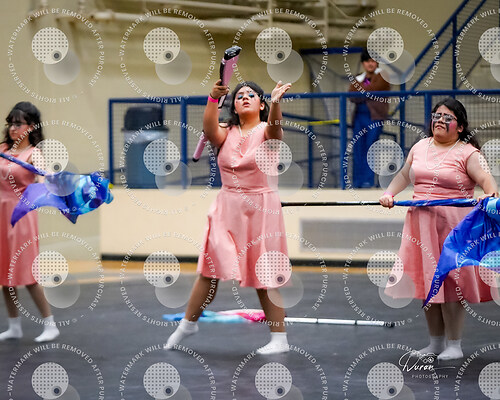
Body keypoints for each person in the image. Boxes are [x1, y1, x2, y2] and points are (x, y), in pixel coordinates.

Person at [165, 79, 292, 354]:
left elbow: (275, 127)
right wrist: (212, 98)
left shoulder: (268, 132)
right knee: (208, 270)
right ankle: (188, 324)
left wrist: (276, 102)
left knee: (265, 276)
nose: (244, 97)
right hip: (227, 207)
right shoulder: (225, 132)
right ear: (233, 105)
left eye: (252, 95)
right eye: (239, 95)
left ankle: (279, 339)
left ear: (261, 104)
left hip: (261, 210)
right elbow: (209, 128)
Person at [379, 98, 498, 360]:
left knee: (453, 281)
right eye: (437, 116)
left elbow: (487, 181)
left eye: (447, 117)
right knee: (428, 280)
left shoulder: (468, 153)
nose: (440, 121)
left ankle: (454, 345)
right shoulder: (420, 147)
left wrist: (490, 195)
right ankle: (435, 343)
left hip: (454, 227)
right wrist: (389, 194)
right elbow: (404, 176)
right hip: (420, 224)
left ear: (460, 126)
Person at [0, 101, 60, 342]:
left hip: (21, 216)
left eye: (18, 124)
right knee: (4, 274)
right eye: (10, 123)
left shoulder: (34, 154)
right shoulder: (2, 149)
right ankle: (14, 326)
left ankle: (50, 325)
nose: (13, 128)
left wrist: (48, 178)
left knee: (28, 273)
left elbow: (43, 182)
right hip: (1, 214)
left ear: (31, 127)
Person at [349, 48, 390, 188]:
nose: (370, 64)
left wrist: (361, 91)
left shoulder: (383, 76)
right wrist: (366, 92)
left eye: (373, 61)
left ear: (377, 63)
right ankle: (357, 182)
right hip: (359, 117)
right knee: (358, 149)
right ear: (363, 63)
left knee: (371, 148)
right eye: (367, 61)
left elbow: (373, 89)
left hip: (375, 118)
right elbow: (351, 95)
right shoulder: (359, 77)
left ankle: (368, 181)